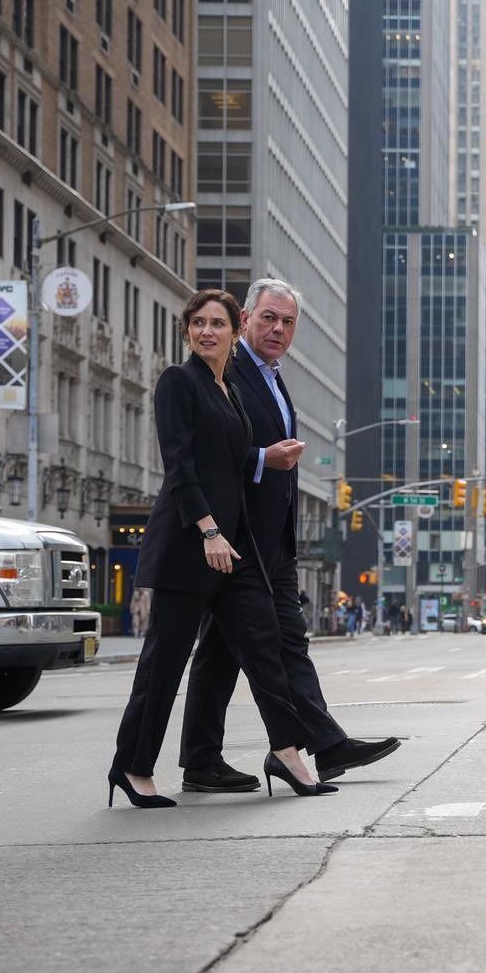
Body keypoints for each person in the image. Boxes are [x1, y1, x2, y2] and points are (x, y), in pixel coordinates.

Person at [109, 289, 342, 809]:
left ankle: (286, 752)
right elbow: (180, 466)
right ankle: (132, 767)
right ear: (187, 331)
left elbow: (236, 468)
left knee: (265, 649)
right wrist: (210, 530)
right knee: (162, 665)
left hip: (233, 552)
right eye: (198, 323)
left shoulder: (230, 393)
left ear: (233, 332)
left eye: (216, 324)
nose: (207, 332)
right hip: (191, 545)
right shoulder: (179, 383)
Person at [184, 279, 400, 791]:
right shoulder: (229, 373)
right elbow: (209, 452)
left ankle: (204, 759)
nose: (278, 329)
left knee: (231, 652)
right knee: (271, 644)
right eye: (268, 318)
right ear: (246, 321)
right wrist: (262, 460)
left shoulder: (273, 377)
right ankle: (320, 744)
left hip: (270, 542)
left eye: (287, 322)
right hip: (234, 540)